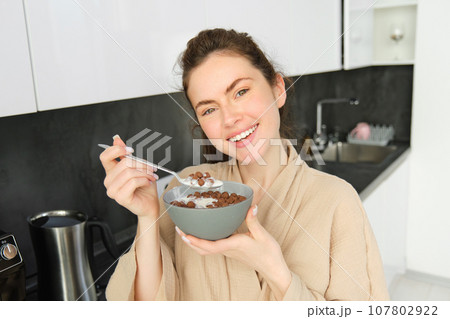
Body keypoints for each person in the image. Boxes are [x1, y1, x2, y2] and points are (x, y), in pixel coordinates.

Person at [99, 29, 389, 301]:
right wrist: (148, 217)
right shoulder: (184, 192)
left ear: (278, 89)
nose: (230, 118)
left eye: (240, 92)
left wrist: (277, 271)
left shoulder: (337, 201)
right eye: (210, 109)